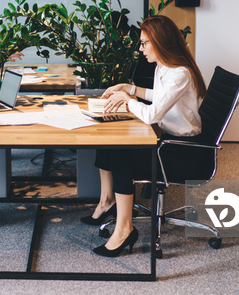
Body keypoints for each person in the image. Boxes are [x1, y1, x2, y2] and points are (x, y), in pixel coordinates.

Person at [86, 14, 207, 257]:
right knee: (108, 146)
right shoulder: (165, 67)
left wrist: (128, 101)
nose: (141, 49)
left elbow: (152, 114)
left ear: (160, 42)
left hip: (183, 151)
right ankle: (108, 202)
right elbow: (159, 98)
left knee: (122, 158)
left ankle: (124, 229)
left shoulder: (180, 73)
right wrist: (127, 88)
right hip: (168, 140)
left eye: (144, 43)